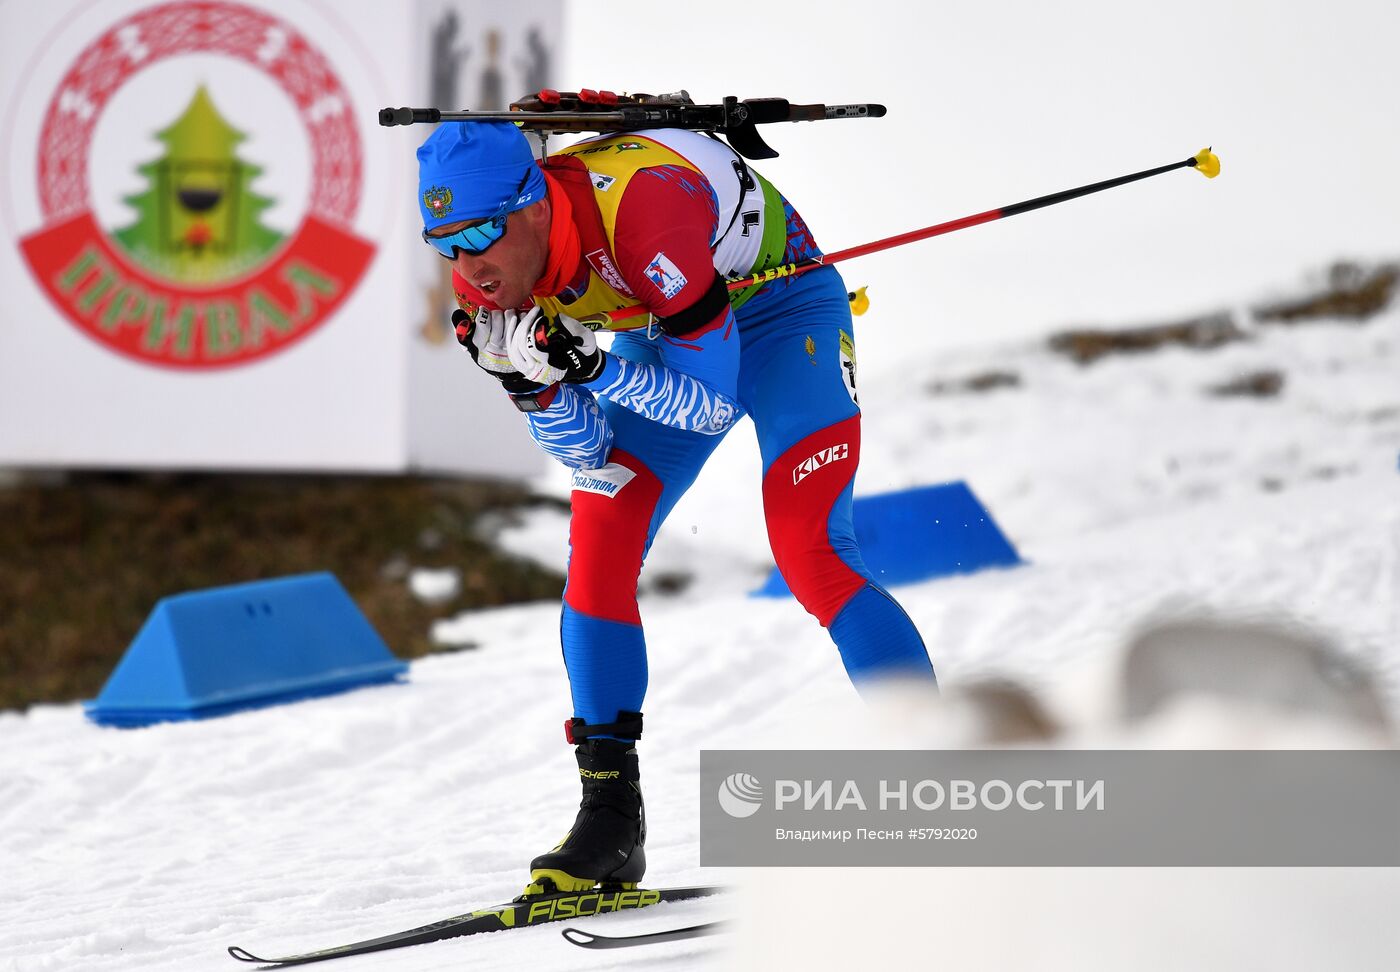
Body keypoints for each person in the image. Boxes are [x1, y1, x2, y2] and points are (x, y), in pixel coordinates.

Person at [416, 120, 937, 896]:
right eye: (445, 243)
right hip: (666, 334)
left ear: (533, 205)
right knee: (597, 549)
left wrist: (589, 363)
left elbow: (704, 408)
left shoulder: (643, 213)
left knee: (813, 555)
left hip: (781, 316)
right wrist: (534, 385)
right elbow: (586, 452)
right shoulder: (483, 277)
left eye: (483, 233)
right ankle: (611, 821)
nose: (469, 264)